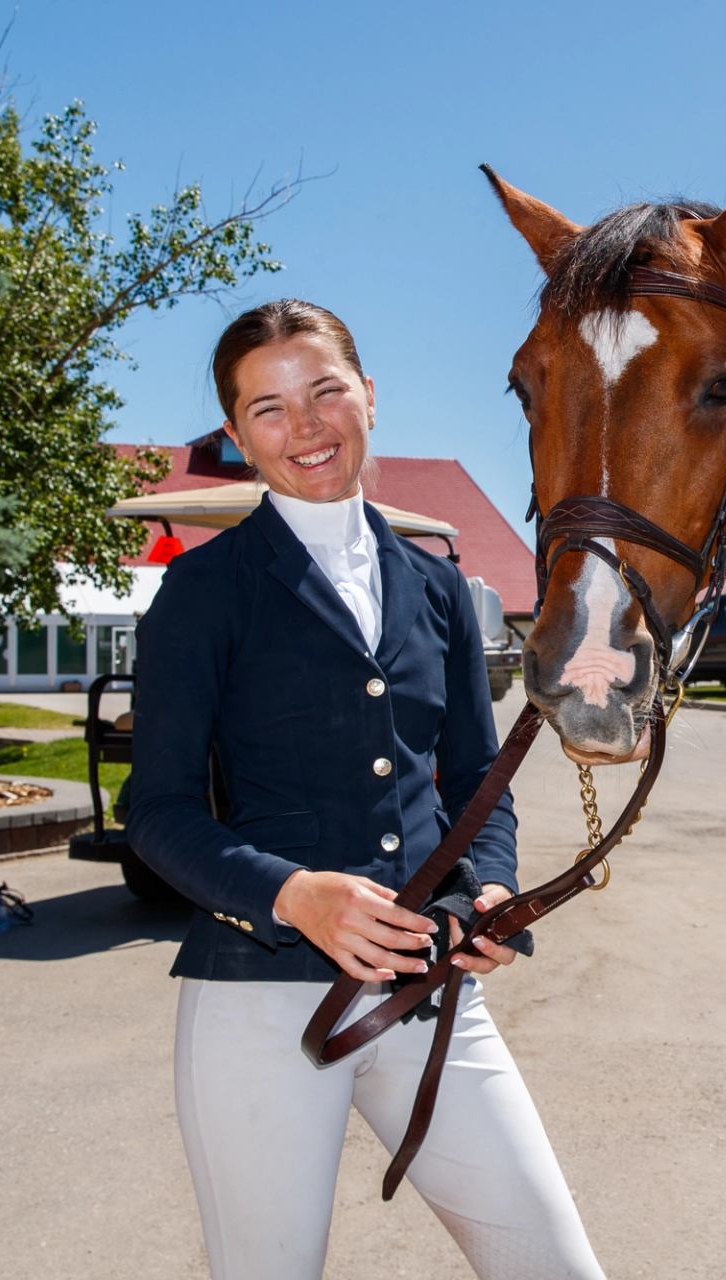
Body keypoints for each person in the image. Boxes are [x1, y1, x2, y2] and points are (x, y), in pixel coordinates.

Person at [127, 299, 603, 1279]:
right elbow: (159, 810)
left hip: (430, 995)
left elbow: (474, 778)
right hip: (260, 1006)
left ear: (370, 396)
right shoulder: (204, 592)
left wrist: (489, 888)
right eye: (268, 408)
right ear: (236, 432)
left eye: (324, 390)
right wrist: (293, 892)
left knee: (554, 1264)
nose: (304, 427)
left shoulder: (438, 590)